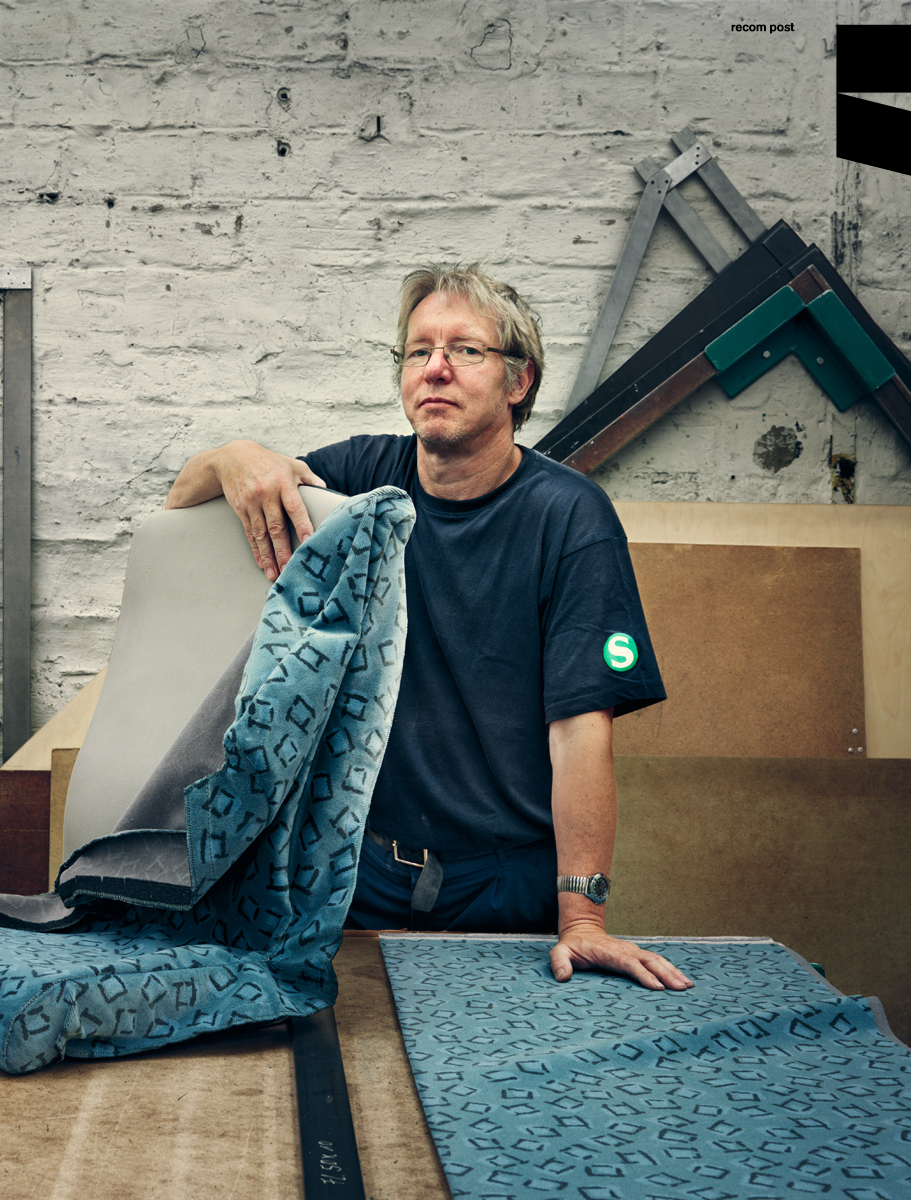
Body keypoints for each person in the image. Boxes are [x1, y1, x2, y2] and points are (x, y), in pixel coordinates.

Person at [164, 264, 692, 991]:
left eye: (465, 350)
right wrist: (233, 456)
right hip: (358, 869)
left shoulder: (570, 518)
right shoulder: (363, 481)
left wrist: (583, 920)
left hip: (504, 884)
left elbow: (579, 731)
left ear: (518, 381)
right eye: (418, 351)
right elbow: (180, 507)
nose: (435, 368)